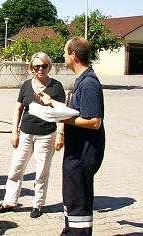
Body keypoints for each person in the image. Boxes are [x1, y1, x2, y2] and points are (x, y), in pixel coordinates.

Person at [38, 37, 105, 235]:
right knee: (72, 198)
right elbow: (76, 112)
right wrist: (53, 104)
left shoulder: (89, 84)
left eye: (65, 52)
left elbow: (94, 121)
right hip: (76, 152)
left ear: (74, 55)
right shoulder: (81, 80)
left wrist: (62, 119)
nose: (63, 55)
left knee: (79, 200)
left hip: (83, 154)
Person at [0, 52, 65, 218]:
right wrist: (14, 132)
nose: (40, 69)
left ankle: (38, 205)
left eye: (44, 66)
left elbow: (61, 112)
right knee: (16, 169)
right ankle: (9, 202)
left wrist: (60, 134)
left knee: (41, 172)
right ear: (31, 68)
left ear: (49, 66)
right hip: (25, 134)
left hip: (46, 135)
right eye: (36, 66)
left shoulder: (56, 86)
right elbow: (18, 109)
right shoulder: (26, 85)